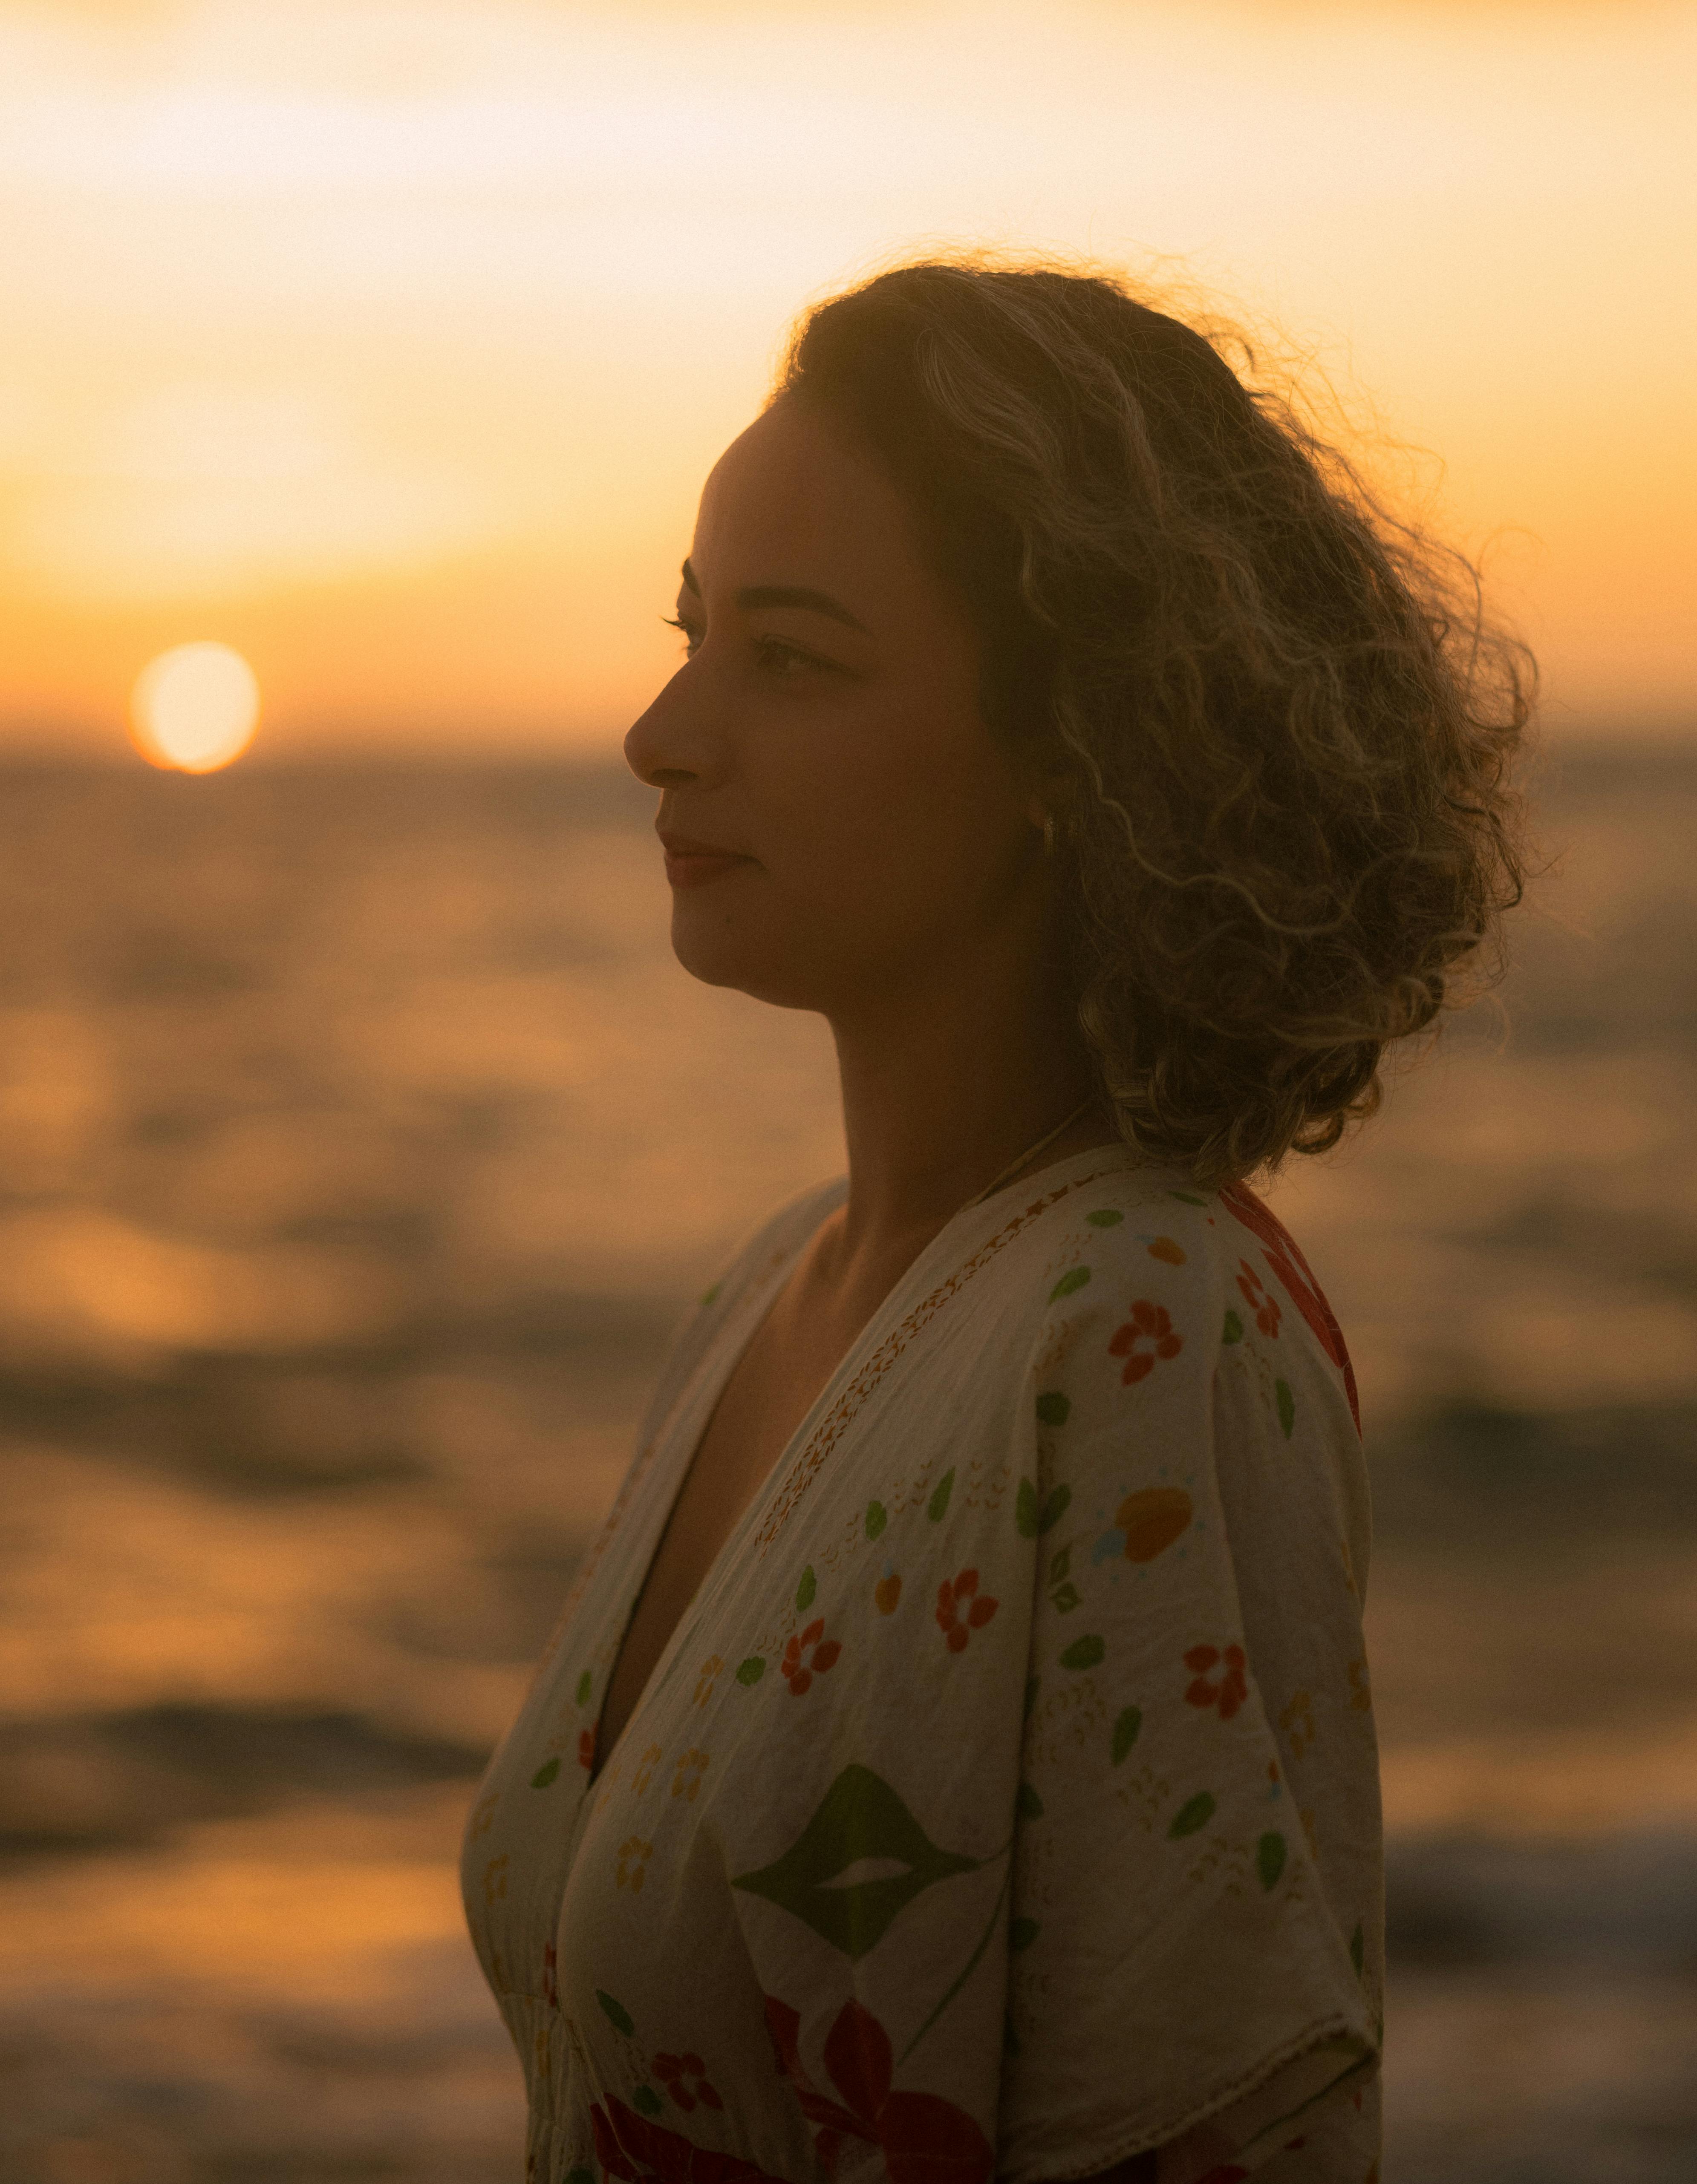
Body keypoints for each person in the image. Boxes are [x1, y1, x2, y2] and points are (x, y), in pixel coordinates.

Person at [461, 256, 1531, 2184]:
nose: (664, 732)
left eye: (790, 659)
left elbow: (1201, 2124)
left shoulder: (1141, 1323)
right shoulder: (773, 1291)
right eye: (692, 632)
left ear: (1073, 747)